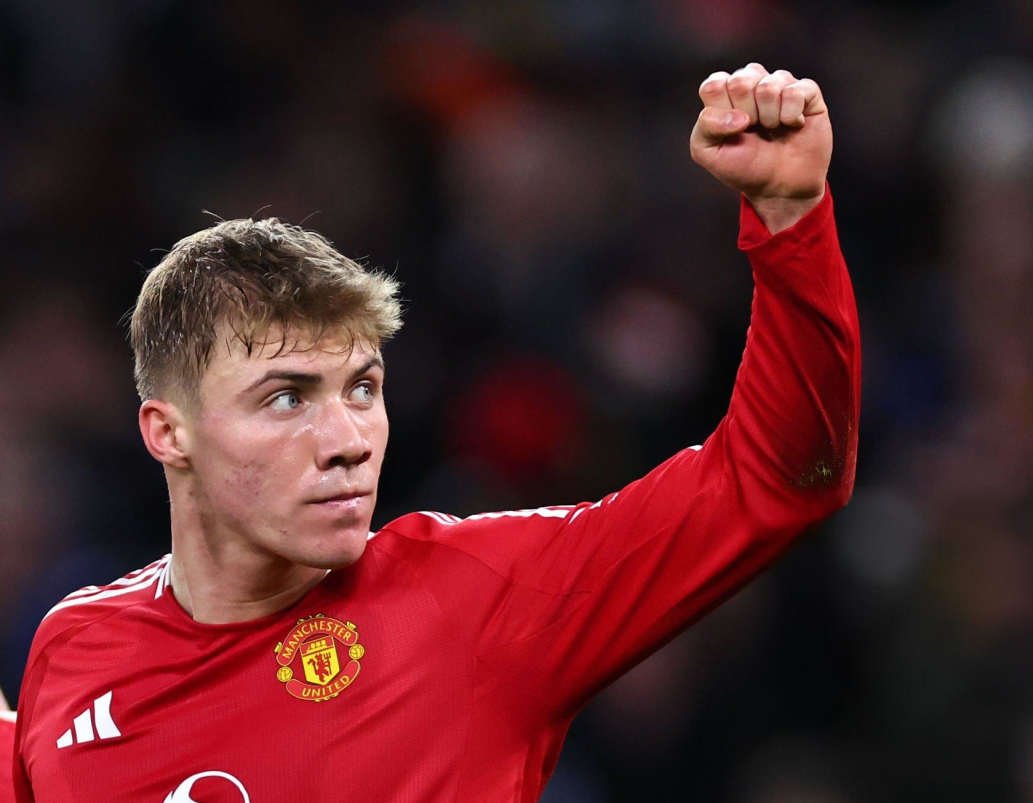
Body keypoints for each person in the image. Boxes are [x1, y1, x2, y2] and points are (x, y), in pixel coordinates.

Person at [12, 63, 860, 802]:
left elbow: (781, 474)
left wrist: (791, 220)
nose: (348, 439)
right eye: (287, 398)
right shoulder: (76, 648)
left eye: (363, 388)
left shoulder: (474, 604)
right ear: (170, 433)